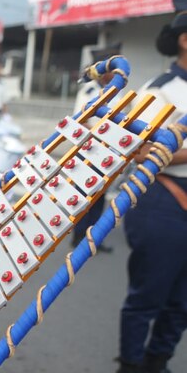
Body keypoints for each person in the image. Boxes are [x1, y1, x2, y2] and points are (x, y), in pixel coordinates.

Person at [110, 0, 187, 373]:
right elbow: (137, 151)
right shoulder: (161, 91)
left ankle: (157, 364)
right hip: (163, 198)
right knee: (149, 295)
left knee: (182, 301)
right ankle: (129, 371)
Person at [70, 43, 122, 253]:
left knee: (100, 196)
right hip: (91, 150)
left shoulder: (119, 93)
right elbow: (80, 120)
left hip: (111, 151)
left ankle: (93, 238)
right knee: (85, 195)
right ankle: (78, 237)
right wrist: (103, 132)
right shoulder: (88, 91)